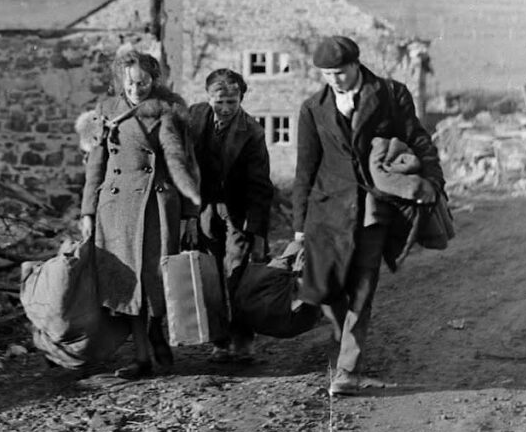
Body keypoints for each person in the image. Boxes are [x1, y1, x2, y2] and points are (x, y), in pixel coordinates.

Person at [292, 35, 445, 396]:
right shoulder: (312, 108)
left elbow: (418, 138)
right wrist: (299, 226)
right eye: (327, 74)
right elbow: (305, 169)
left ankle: (347, 369)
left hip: (374, 208)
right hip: (327, 211)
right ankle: (345, 336)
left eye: (340, 72)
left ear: (355, 65)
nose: (334, 80)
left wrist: (433, 181)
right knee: (325, 289)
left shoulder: (391, 94)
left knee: (363, 286)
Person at [79, 50, 201, 380]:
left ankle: (157, 330)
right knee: (127, 283)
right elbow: (96, 163)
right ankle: (142, 356)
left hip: (156, 207)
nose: (136, 89)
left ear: (154, 80)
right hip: (116, 209)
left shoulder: (170, 109)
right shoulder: (105, 110)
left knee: (156, 279)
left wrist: (190, 214)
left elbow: (186, 163)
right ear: (121, 80)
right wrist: (88, 210)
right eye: (130, 82)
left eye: (143, 82)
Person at [187, 68, 273, 365]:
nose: (224, 109)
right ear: (208, 97)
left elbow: (260, 185)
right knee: (209, 273)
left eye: (232, 102)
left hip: (239, 209)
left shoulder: (252, 132)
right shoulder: (194, 117)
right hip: (205, 206)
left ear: (241, 99)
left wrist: (257, 232)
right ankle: (219, 341)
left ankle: (243, 338)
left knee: (236, 272)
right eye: (219, 101)